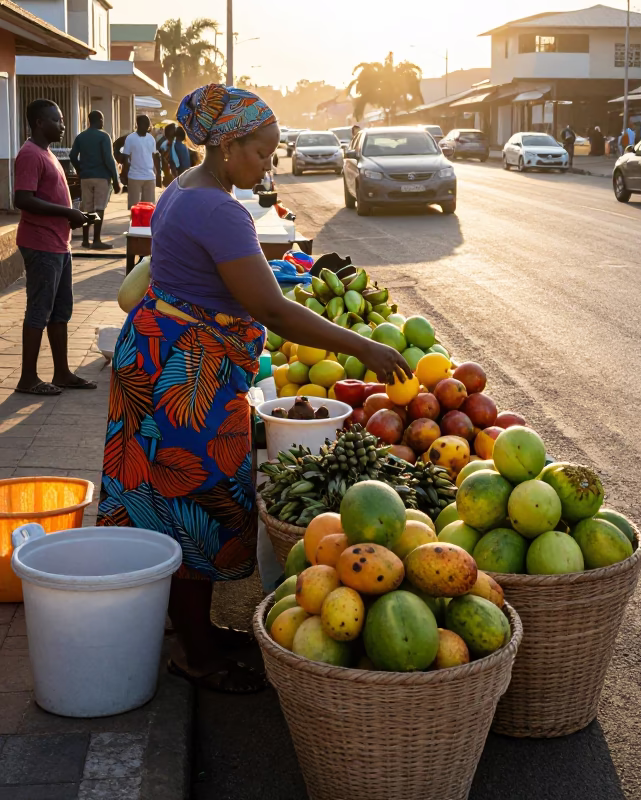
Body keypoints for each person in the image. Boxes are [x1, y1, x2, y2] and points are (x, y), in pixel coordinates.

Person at [97, 85, 409, 693]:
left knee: (157, 493)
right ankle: (196, 654)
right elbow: (274, 309)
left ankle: (192, 631)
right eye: (262, 152)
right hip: (186, 372)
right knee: (191, 501)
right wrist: (366, 347)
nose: (269, 163)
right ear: (227, 144)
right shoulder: (218, 209)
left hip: (159, 354)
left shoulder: (185, 186)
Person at [13, 99, 97, 396]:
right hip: (41, 244)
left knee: (60, 311)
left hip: (59, 243)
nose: (62, 125)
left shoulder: (46, 154)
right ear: (39, 123)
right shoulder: (29, 154)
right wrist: (66, 213)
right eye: (57, 120)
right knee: (40, 310)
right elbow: (22, 199)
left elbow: (48, 197)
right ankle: (28, 378)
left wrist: (75, 216)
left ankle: (62, 373)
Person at [70, 110, 121, 249]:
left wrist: (80, 170)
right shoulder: (104, 136)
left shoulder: (81, 137)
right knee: (99, 208)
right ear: (99, 120)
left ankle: (86, 240)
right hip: (101, 177)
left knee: (87, 208)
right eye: (102, 120)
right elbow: (109, 159)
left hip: (86, 178)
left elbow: (72, 156)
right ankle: (96, 240)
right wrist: (115, 179)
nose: (103, 123)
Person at [120, 115, 161, 208]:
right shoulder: (130, 138)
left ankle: (145, 223)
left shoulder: (151, 139)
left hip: (149, 177)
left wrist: (157, 174)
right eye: (144, 124)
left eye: (147, 125)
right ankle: (135, 223)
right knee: (134, 208)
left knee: (148, 208)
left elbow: (154, 156)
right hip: (134, 177)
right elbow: (125, 158)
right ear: (138, 124)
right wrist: (124, 174)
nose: (146, 127)